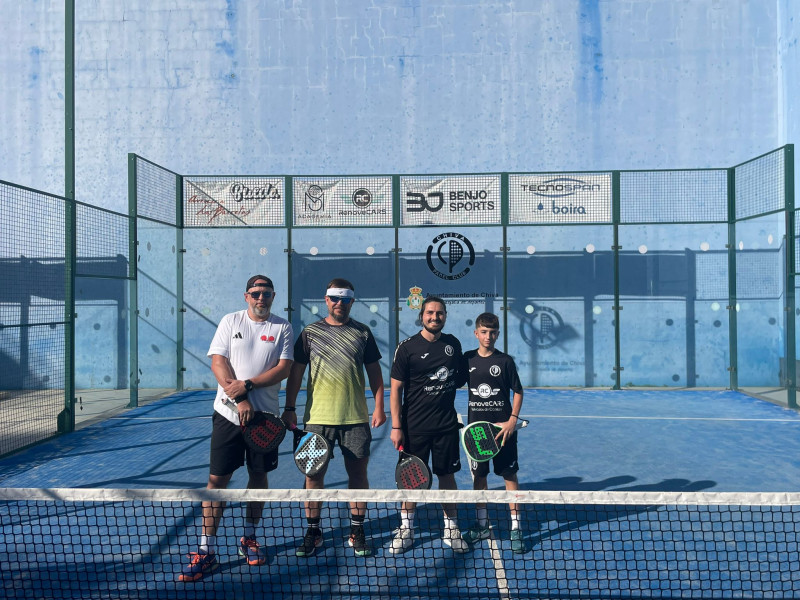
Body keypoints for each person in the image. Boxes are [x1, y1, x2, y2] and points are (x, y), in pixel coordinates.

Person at [179, 275, 294, 582]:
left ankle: (249, 538)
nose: (261, 298)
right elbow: (219, 362)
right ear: (246, 296)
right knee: (217, 481)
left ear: (273, 296)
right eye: (255, 293)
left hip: (264, 420)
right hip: (228, 416)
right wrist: (241, 398)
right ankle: (206, 550)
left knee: (258, 477)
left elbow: (283, 369)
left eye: (266, 293)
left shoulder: (282, 327)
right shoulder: (230, 321)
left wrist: (248, 384)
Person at [284, 278, 386, 558]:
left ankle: (357, 529)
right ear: (326, 300)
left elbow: (375, 373)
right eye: (335, 298)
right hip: (317, 419)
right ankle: (313, 531)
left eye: (346, 298)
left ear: (352, 301)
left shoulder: (363, 333)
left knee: (358, 476)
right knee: (313, 476)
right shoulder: (310, 333)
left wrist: (379, 406)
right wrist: (290, 407)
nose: (340, 303)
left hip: (355, 419)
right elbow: (296, 372)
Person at [388, 295, 469, 554]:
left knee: (447, 476)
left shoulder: (453, 344)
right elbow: (395, 389)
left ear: (445, 316)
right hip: (414, 428)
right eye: (430, 313)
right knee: (411, 479)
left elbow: (459, 378)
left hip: (446, 426)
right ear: (421, 316)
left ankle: (451, 528)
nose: (435, 317)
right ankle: (406, 529)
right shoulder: (407, 348)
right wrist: (396, 427)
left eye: (439, 313)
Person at [461, 312, 526, 554]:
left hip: (503, 431)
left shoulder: (505, 361)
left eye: (493, 332)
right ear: (476, 333)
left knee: (510, 476)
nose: (488, 336)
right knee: (479, 478)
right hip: (477, 434)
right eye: (484, 332)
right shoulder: (467, 359)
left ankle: (516, 528)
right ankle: (481, 525)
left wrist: (512, 421)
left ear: (498, 334)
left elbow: (518, 391)